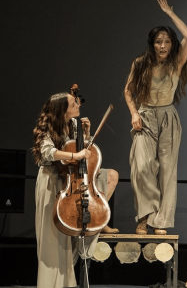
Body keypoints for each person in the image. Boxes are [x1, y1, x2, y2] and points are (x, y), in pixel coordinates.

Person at [32, 91, 119, 288]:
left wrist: (86, 136)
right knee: (52, 239)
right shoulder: (47, 129)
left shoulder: (73, 125)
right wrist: (76, 155)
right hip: (50, 181)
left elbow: (84, 152)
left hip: (68, 181)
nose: (78, 105)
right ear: (62, 110)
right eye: (73, 103)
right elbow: (49, 153)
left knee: (64, 240)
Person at [124, 0, 187, 235]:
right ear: (152, 44)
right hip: (144, 116)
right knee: (141, 167)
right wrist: (134, 113)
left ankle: (160, 222)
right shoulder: (140, 63)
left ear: (171, 44)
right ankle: (144, 217)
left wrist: (170, 13)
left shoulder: (176, 63)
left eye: (166, 42)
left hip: (168, 118)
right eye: (158, 42)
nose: (162, 46)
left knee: (167, 170)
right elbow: (128, 91)